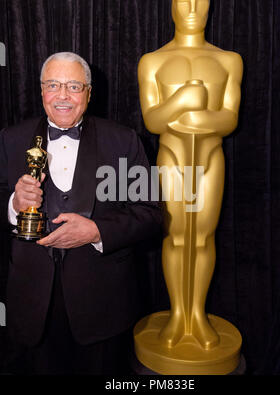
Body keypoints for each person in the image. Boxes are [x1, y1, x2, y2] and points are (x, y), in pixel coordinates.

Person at [0, 52, 162, 375]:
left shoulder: (123, 140)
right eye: (53, 85)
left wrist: (97, 232)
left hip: (103, 308)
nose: (62, 95)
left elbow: (152, 212)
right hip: (31, 307)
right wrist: (13, 205)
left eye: (74, 86)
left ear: (89, 93)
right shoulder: (10, 139)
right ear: (41, 90)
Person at [137, 0, 243, 355]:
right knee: (176, 235)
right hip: (172, 156)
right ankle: (177, 313)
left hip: (211, 156)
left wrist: (195, 121)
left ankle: (196, 313)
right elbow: (153, 121)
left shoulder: (229, 60)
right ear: (171, 5)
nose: (193, 6)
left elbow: (229, 118)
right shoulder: (153, 61)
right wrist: (183, 98)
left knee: (203, 237)